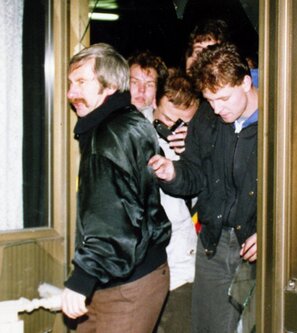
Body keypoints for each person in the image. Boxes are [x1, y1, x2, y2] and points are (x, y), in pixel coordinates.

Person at [61, 43, 171, 333]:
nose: (71, 94)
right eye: (71, 83)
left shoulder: (106, 139)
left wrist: (81, 279)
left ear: (109, 86)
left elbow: (113, 220)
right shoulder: (129, 120)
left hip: (127, 287)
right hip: (124, 274)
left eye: (81, 83)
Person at [149, 42, 258, 333]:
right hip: (214, 243)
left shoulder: (279, 120)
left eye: (223, 98)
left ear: (246, 83)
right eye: (209, 100)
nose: (216, 109)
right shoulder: (207, 117)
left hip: (260, 249)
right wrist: (172, 172)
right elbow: (195, 174)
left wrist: (274, 231)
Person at [141, 69, 199, 333]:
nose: (173, 129)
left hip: (184, 266)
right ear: (154, 102)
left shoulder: (198, 138)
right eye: (167, 120)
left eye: (183, 123)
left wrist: (192, 158)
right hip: (145, 269)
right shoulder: (133, 135)